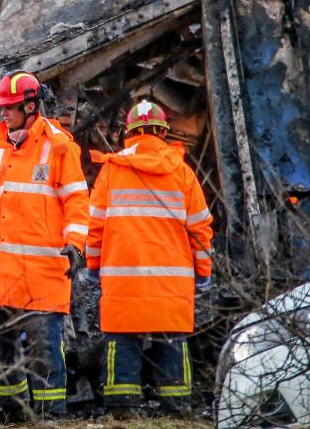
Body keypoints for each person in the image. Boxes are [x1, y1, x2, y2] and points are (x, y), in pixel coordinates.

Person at [0, 70, 90, 420]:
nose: (4, 114)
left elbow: (76, 201)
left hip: (40, 274)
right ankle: (11, 410)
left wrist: (75, 243)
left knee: (44, 350)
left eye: (10, 108)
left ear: (30, 105)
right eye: (1, 108)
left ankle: (50, 413)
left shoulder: (57, 146)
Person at [86, 100, 214, 417]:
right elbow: (200, 230)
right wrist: (203, 271)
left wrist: (92, 266)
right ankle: (177, 409)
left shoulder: (111, 171)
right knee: (170, 339)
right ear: (163, 132)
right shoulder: (182, 173)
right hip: (172, 283)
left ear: (129, 133)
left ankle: (122, 410)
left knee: (123, 340)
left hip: (122, 280)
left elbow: (95, 228)